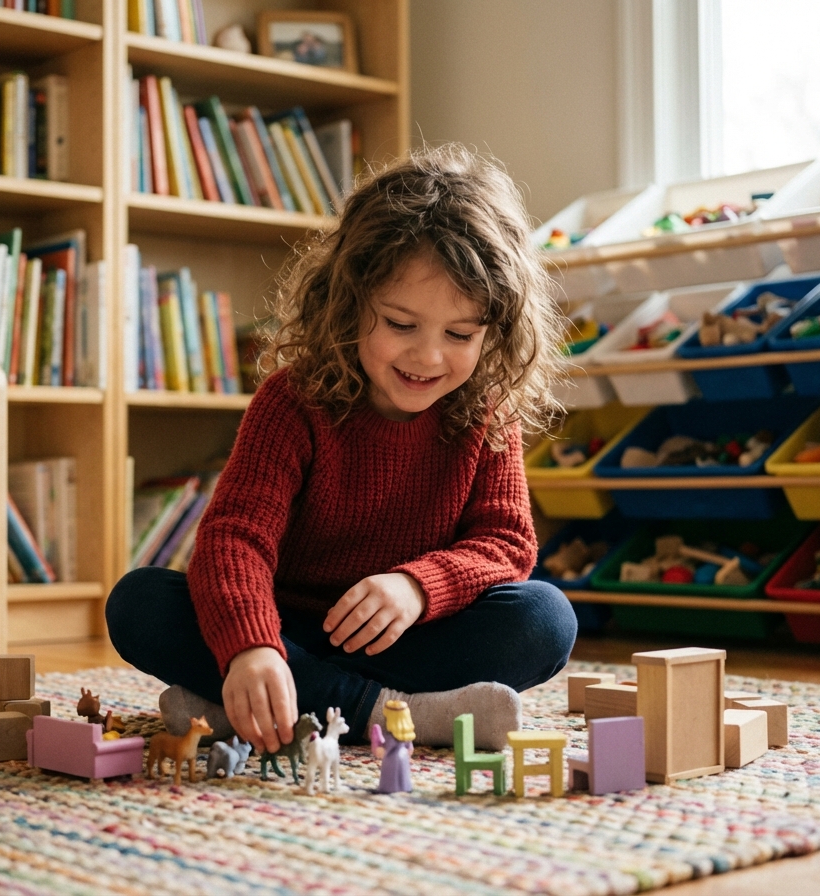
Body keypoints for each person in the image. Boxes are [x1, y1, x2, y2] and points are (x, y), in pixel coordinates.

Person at [106, 144, 577, 758]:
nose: (428, 357)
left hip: (406, 634)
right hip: (285, 630)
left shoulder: (487, 408)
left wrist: (417, 587)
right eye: (401, 325)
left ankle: (256, 708)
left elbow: (506, 543)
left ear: (496, 330)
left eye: (460, 334)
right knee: (139, 602)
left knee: (544, 619)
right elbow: (233, 538)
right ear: (348, 302)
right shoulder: (293, 400)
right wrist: (251, 646)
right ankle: (386, 714)